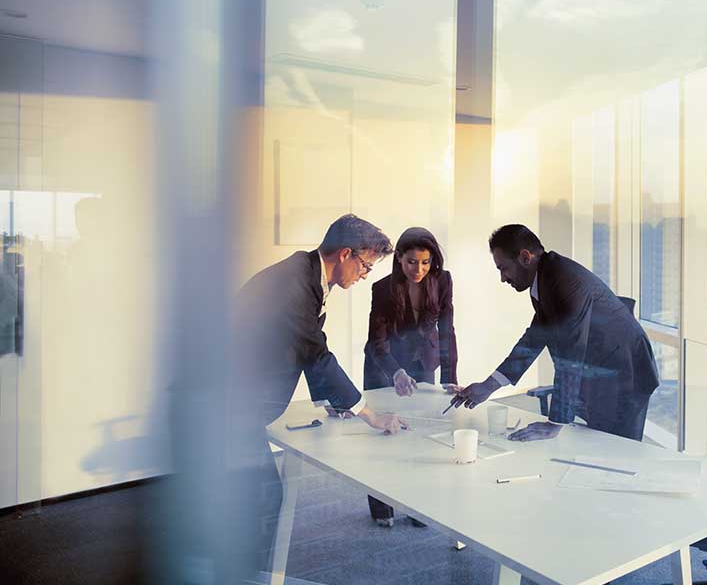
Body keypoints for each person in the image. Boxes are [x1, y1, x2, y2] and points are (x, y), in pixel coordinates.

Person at [231, 214, 406, 573]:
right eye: (365, 266)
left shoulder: (305, 275)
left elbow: (308, 344)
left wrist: (331, 399)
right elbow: (316, 353)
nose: (364, 275)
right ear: (345, 254)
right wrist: (369, 414)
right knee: (262, 496)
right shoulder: (293, 285)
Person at [451, 224, 659, 443]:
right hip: (601, 370)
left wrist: (555, 423)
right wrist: (488, 386)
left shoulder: (565, 281)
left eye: (503, 268)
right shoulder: (544, 280)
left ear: (525, 257)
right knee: (595, 445)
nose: (503, 278)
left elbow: (570, 355)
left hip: (626, 371)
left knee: (617, 451)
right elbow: (533, 339)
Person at [363, 226, 460, 526]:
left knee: (422, 434)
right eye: (411, 262)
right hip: (385, 366)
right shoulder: (382, 289)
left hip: (423, 361)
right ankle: (382, 508)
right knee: (384, 438)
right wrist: (396, 372)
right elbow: (376, 342)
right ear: (399, 260)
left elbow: (447, 329)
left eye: (425, 262)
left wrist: (449, 375)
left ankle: (419, 505)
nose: (418, 269)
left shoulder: (442, 281)